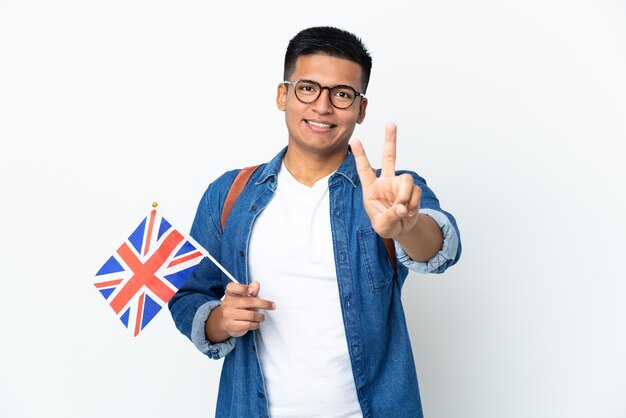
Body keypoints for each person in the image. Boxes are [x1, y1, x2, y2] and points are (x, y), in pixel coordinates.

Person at [169, 26, 462, 418]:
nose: (323, 107)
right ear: (283, 95)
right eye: (308, 88)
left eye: (342, 94)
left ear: (360, 109)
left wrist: (406, 228)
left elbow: (440, 246)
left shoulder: (387, 192)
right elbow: (187, 295)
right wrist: (220, 320)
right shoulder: (229, 194)